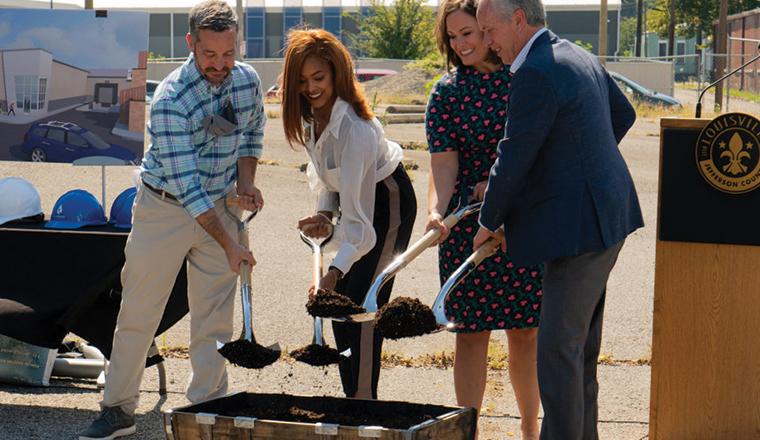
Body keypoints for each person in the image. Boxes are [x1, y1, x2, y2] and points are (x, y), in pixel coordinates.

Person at [79, 1, 266, 439]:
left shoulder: (247, 80)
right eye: (209, 56)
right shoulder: (171, 99)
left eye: (228, 54)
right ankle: (118, 409)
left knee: (214, 317)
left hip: (221, 201)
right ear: (190, 45)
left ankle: (206, 408)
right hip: (165, 206)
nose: (220, 65)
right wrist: (230, 244)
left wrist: (247, 181)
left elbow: (253, 132)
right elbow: (189, 189)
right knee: (139, 312)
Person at [473, 0, 642, 438]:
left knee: (557, 355)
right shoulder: (577, 54)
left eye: (490, 30)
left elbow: (513, 157)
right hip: (605, 219)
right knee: (577, 353)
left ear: (518, 19)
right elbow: (623, 115)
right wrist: (583, 169)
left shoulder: (535, 72)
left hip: (581, 232)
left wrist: (488, 221)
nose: (488, 43)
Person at [424, 0, 542, 438]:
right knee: (469, 334)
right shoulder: (447, 91)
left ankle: (530, 427)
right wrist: (436, 210)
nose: (460, 45)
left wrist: (501, 191)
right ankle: (467, 431)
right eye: (452, 38)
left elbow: (535, 151)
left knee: (526, 332)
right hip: (467, 228)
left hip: (521, 219)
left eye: (468, 34)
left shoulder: (523, 79)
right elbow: (442, 166)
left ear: (490, 29)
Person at [281, 28, 417, 400]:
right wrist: (324, 214)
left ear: (337, 74)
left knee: (363, 305)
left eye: (319, 78)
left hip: (388, 202)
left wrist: (333, 272)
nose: (311, 88)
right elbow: (331, 177)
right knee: (341, 303)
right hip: (359, 202)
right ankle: (352, 399)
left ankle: (363, 405)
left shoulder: (355, 129)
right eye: (303, 80)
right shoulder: (313, 119)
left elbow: (362, 228)